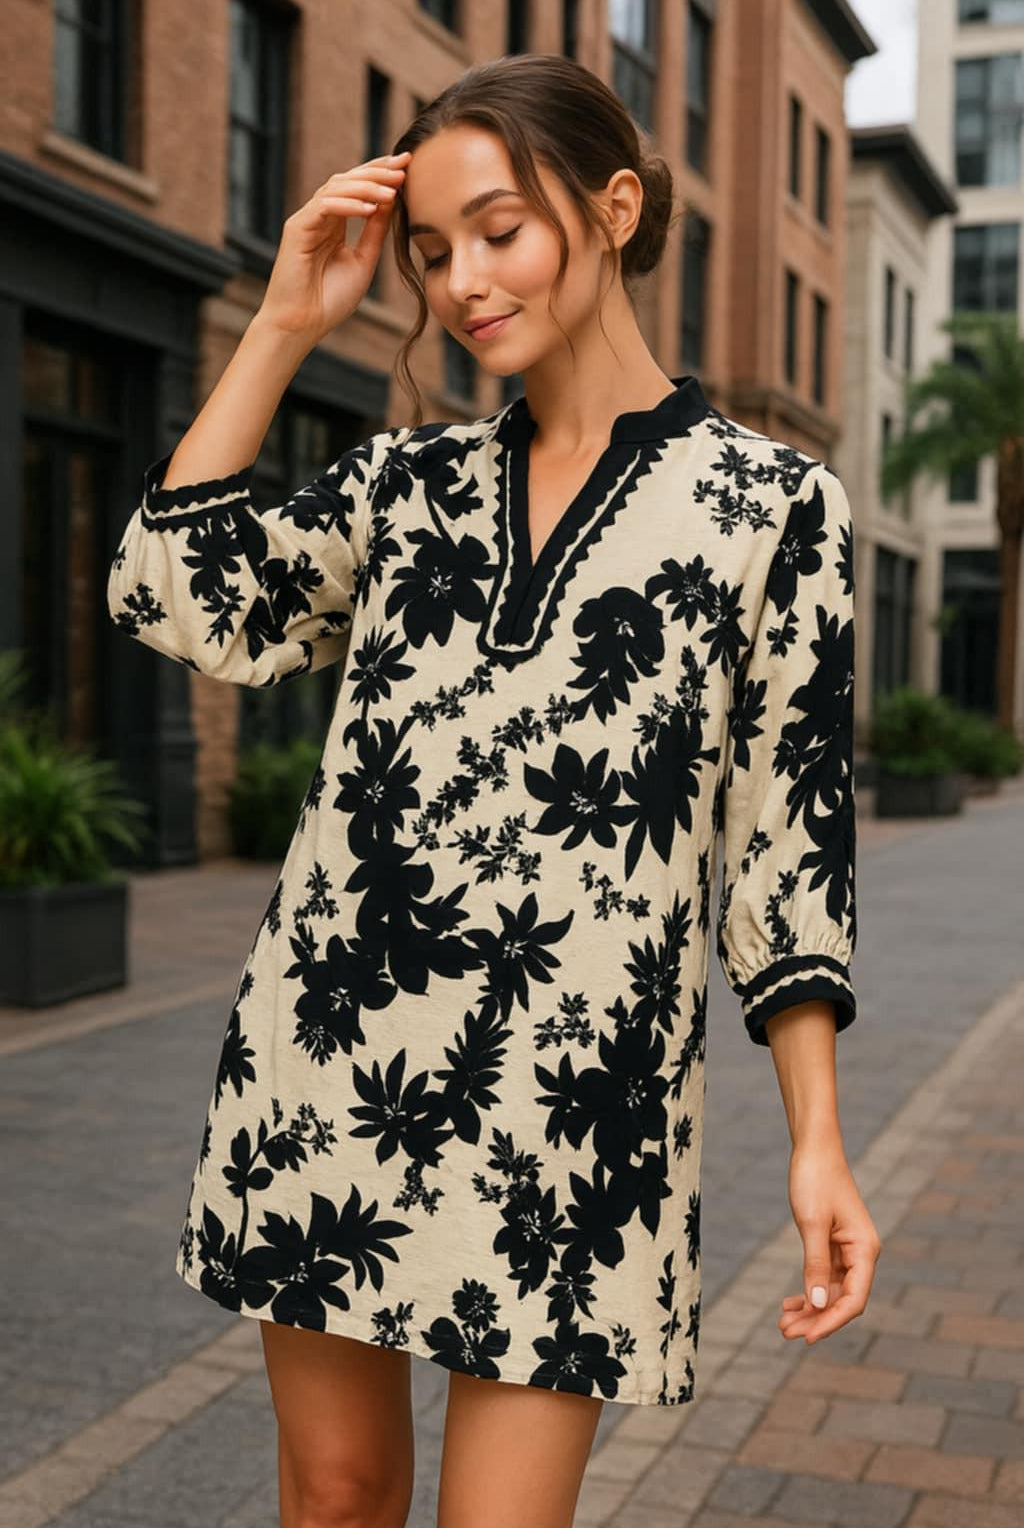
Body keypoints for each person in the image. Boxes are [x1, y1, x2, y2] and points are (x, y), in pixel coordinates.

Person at [107, 51, 880, 1528]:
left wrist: (820, 1140)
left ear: (615, 207)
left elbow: (790, 842)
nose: (462, 280)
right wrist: (280, 323)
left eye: (501, 231)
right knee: (334, 1502)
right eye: (433, 250)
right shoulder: (406, 488)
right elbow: (170, 593)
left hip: (577, 1115)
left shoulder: (773, 512)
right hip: (330, 1069)